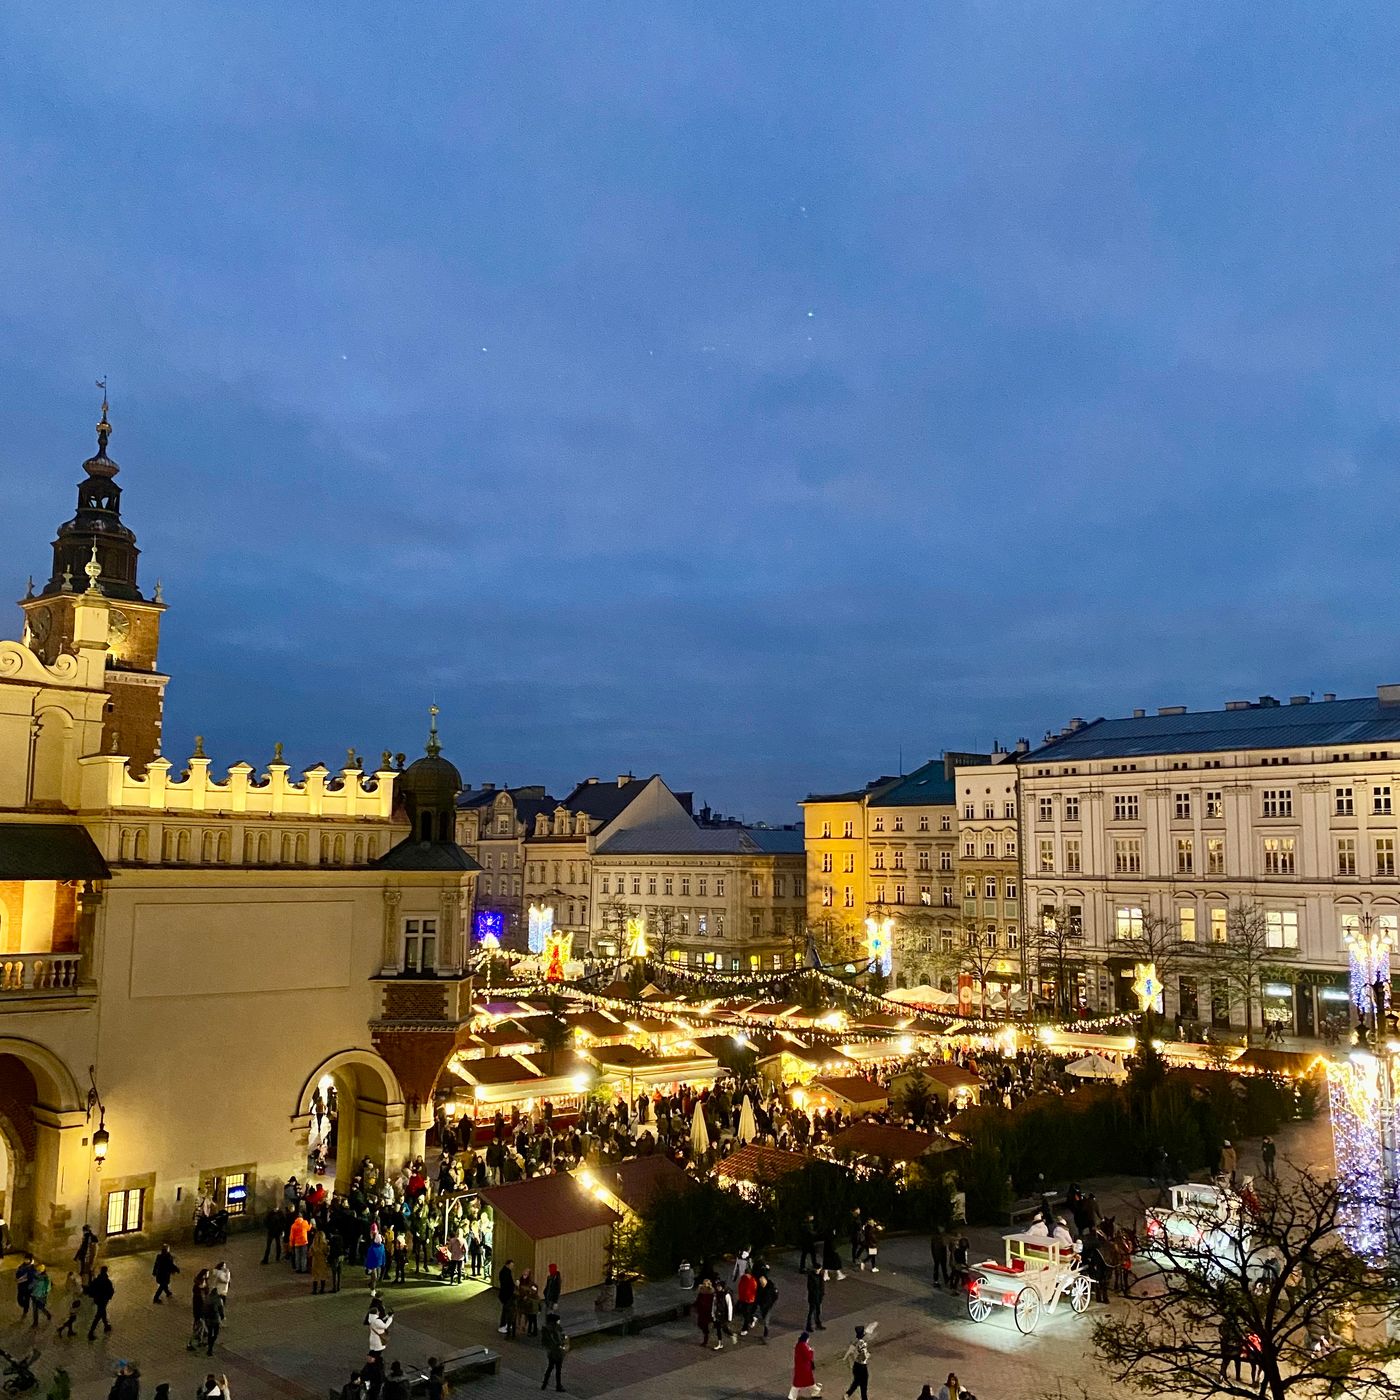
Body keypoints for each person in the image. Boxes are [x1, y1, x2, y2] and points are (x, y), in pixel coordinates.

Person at [843, 1322, 876, 1400]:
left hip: (856, 1365)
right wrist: (867, 1355)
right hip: (862, 1366)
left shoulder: (855, 1342)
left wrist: (846, 1358)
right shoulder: (862, 1344)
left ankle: (847, 1394)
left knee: (857, 1381)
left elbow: (849, 1352)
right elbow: (864, 1356)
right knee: (864, 1383)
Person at [541, 1309, 568, 1392]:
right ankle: (558, 1385)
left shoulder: (550, 1328)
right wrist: (561, 1343)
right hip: (556, 1352)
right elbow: (556, 1339)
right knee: (557, 1369)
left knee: (551, 1367)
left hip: (553, 1351)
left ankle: (545, 1383)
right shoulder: (553, 1329)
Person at [85, 1265, 114, 1339]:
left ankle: (106, 1325)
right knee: (98, 1316)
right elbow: (111, 1291)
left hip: (98, 1300)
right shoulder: (107, 1281)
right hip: (104, 1300)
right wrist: (108, 1297)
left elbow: (91, 1287)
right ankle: (91, 1332)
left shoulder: (97, 1280)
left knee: (102, 1312)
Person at [790, 1331, 817, 1400]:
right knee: (807, 1382)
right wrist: (811, 1351)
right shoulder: (803, 1346)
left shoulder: (799, 1345)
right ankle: (815, 1393)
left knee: (798, 1382)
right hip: (804, 1367)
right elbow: (808, 1357)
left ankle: (792, 1396)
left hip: (800, 1366)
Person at [56, 1272, 82, 1338]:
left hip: (71, 1302)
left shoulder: (68, 1282)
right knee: (72, 1318)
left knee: (71, 1318)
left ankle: (69, 1331)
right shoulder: (71, 1283)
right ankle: (61, 1329)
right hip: (73, 1302)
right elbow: (77, 1291)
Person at [756, 1271, 778, 1342]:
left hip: (768, 1306)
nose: (761, 1284)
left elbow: (775, 1295)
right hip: (763, 1305)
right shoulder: (760, 1287)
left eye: (762, 1282)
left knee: (766, 1320)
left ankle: (766, 1335)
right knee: (764, 1317)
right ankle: (765, 1334)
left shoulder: (770, 1287)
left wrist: (771, 1303)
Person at [203, 1287, 225, 1356]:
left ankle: (209, 1346)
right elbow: (221, 1310)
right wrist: (222, 1317)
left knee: (210, 1333)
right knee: (215, 1334)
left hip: (208, 1320)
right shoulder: (218, 1300)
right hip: (215, 1320)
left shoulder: (207, 1298)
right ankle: (211, 1346)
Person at [498, 1259, 517, 1337]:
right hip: (506, 1294)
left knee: (506, 1310)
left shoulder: (504, 1271)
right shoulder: (506, 1272)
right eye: (512, 1265)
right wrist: (514, 1286)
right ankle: (503, 1325)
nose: (512, 1267)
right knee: (506, 1310)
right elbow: (507, 1284)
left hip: (504, 1294)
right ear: (508, 1264)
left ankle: (505, 1324)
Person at [736, 1268, 758, 1334]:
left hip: (749, 1300)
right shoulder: (744, 1279)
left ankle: (745, 1329)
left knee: (746, 1314)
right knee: (745, 1313)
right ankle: (752, 1319)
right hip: (744, 1299)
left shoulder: (752, 1280)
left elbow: (753, 1290)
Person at [694, 1278, 715, 1347]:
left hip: (707, 1311)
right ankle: (707, 1333)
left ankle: (705, 1339)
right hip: (701, 1311)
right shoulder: (701, 1291)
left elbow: (713, 1302)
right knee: (700, 1324)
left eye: (705, 1283)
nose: (704, 1285)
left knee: (705, 1325)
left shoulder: (711, 1292)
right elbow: (698, 1299)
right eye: (704, 1283)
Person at [805, 1266, 825, 1331]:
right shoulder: (811, 1276)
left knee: (818, 1311)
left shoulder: (820, 1276)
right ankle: (808, 1326)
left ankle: (818, 1324)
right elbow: (810, 1288)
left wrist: (822, 1294)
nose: (817, 1270)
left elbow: (822, 1286)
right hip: (813, 1297)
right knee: (811, 1311)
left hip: (818, 1296)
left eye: (819, 1269)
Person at [16, 1253, 36, 1320]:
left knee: (27, 1300)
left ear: (30, 1260)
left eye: (27, 1259)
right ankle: (24, 1306)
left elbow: (32, 1278)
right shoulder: (21, 1266)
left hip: (27, 1288)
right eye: (25, 1259)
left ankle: (25, 1311)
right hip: (21, 1287)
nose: (26, 1260)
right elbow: (17, 1274)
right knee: (19, 1299)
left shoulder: (32, 1269)